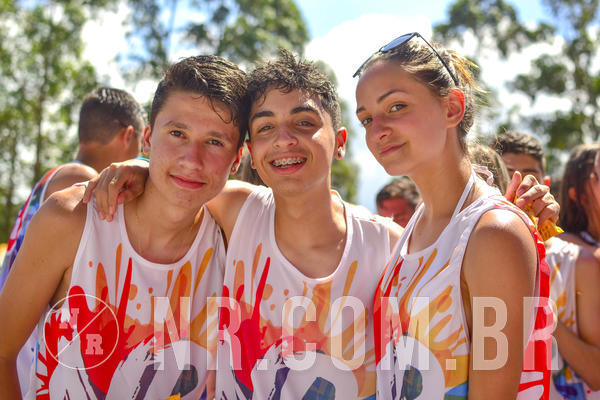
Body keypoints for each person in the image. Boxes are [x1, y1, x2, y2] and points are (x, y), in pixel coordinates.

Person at [84, 51, 558, 399]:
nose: (284, 140)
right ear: (250, 155)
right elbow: (185, 177)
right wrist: (137, 170)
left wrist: (511, 223)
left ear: (341, 141)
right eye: (264, 127)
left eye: (305, 122)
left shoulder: (390, 246)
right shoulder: (236, 210)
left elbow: (478, 281)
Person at [0, 55, 246, 399]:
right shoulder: (72, 219)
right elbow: (3, 352)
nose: (191, 159)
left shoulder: (235, 240)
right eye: (177, 133)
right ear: (147, 139)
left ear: (237, 160)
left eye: (215, 142)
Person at [354, 32, 553, 398]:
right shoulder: (418, 225)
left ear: (452, 108)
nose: (377, 130)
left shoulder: (494, 233)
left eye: (396, 107)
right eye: (366, 119)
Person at [0, 86, 145, 395]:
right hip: (25, 370)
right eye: (140, 148)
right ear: (128, 135)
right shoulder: (78, 183)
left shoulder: (52, 177)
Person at [494, 132, 600, 398]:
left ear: (546, 184)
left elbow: (597, 374)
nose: (521, 187)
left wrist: (539, 309)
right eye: (508, 176)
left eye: (530, 176)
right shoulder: (471, 254)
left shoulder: (578, 261)